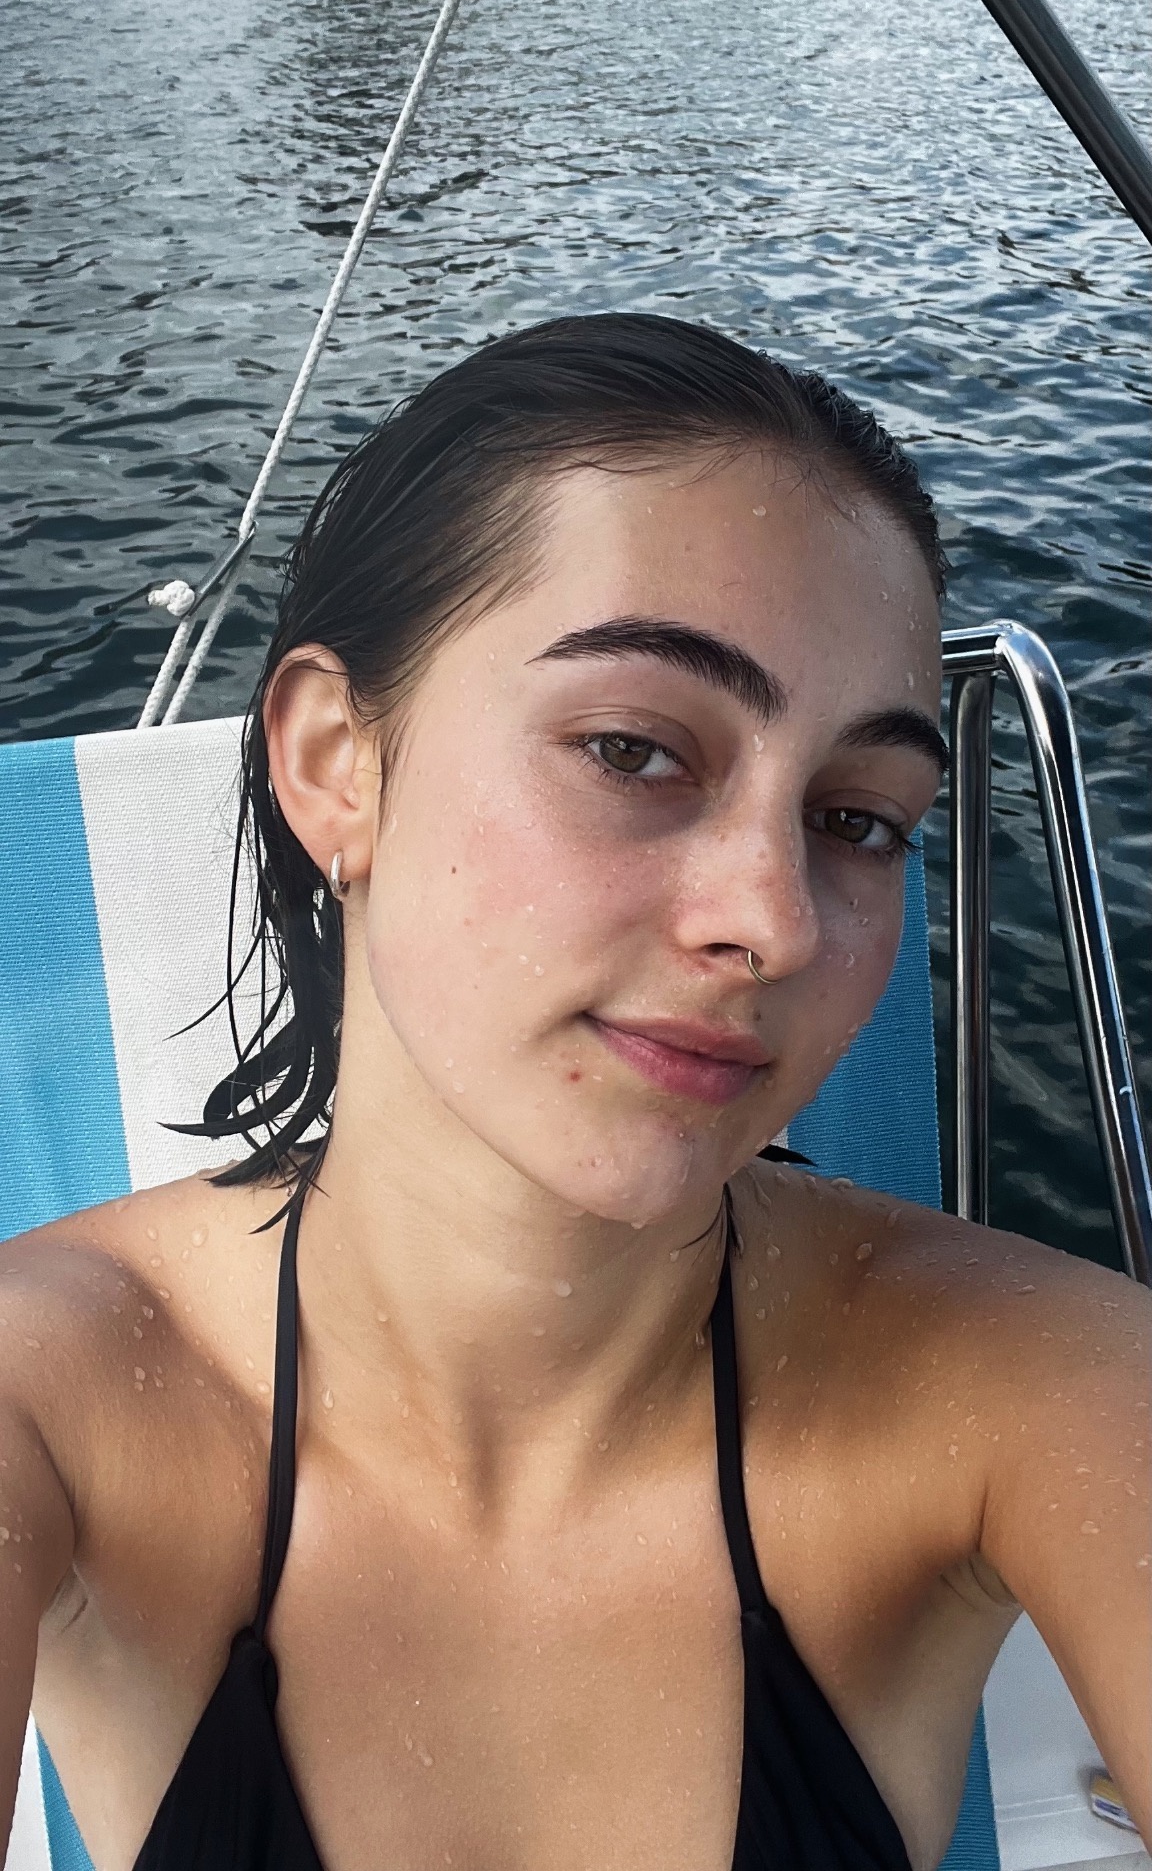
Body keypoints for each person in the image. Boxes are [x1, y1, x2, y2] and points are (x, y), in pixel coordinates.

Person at [0, 315, 1147, 1871]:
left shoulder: (1035, 1388)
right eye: (633, 750)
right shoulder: (57, 1401)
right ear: (336, 762)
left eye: (860, 820)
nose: (776, 923)